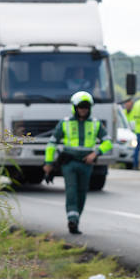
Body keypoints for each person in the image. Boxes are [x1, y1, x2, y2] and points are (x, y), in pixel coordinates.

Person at [43, 91, 110, 235]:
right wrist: (48, 163)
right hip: (69, 163)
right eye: (80, 107)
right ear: (74, 107)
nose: (83, 110)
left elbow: (108, 142)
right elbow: (51, 144)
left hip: (86, 164)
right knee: (71, 190)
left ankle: (76, 219)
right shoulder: (65, 123)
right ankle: (72, 219)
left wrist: (95, 153)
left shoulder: (96, 124)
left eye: (86, 107)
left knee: (82, 192)